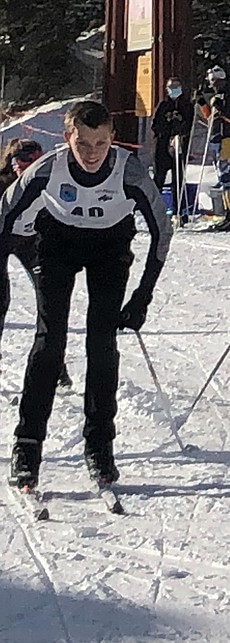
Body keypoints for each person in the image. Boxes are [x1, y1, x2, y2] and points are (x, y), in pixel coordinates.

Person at [1, 101, 172, 490]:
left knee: (101, 344)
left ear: (113, 138)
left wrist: (142, 297)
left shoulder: (129, 170)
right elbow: (4, 217)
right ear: (67, 139)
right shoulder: (47, 169)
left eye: (100, 143)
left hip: (109, 250)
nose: (92, 152)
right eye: (83, 143)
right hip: (58, 246)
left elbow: (162, 233)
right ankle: (27, 446)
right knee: (49, 343)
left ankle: (99, 447)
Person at [0, 139, 72, 389]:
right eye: (23, 162)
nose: (30, 168)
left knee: (50, 299)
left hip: (31, 240)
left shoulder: (46, 181)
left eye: (35, 162)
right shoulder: (3, 184)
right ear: (12, 164)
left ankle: (54, 366)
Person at [196, 65, 230, 231]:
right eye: (211, 82)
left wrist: (220, 105)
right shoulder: (217, 94)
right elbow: (211, 117)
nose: (213, 85)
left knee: (226, 177)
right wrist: (203, 103)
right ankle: (226, 213)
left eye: (215, 81)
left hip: (228, 138)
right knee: (221, 178)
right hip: (216, 138)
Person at [151, 76, 194, 219]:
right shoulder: (163, 105)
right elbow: (155, 125)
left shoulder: (186, 105)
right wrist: (166, 133)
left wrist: (180, 133)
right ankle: (155, 210)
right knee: (159, 178)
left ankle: (179, 211)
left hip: (179, 146)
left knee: (178, 180)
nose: (174, 89)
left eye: (177, 86)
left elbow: (190, 125)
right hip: (162, 147)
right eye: (171, 87)